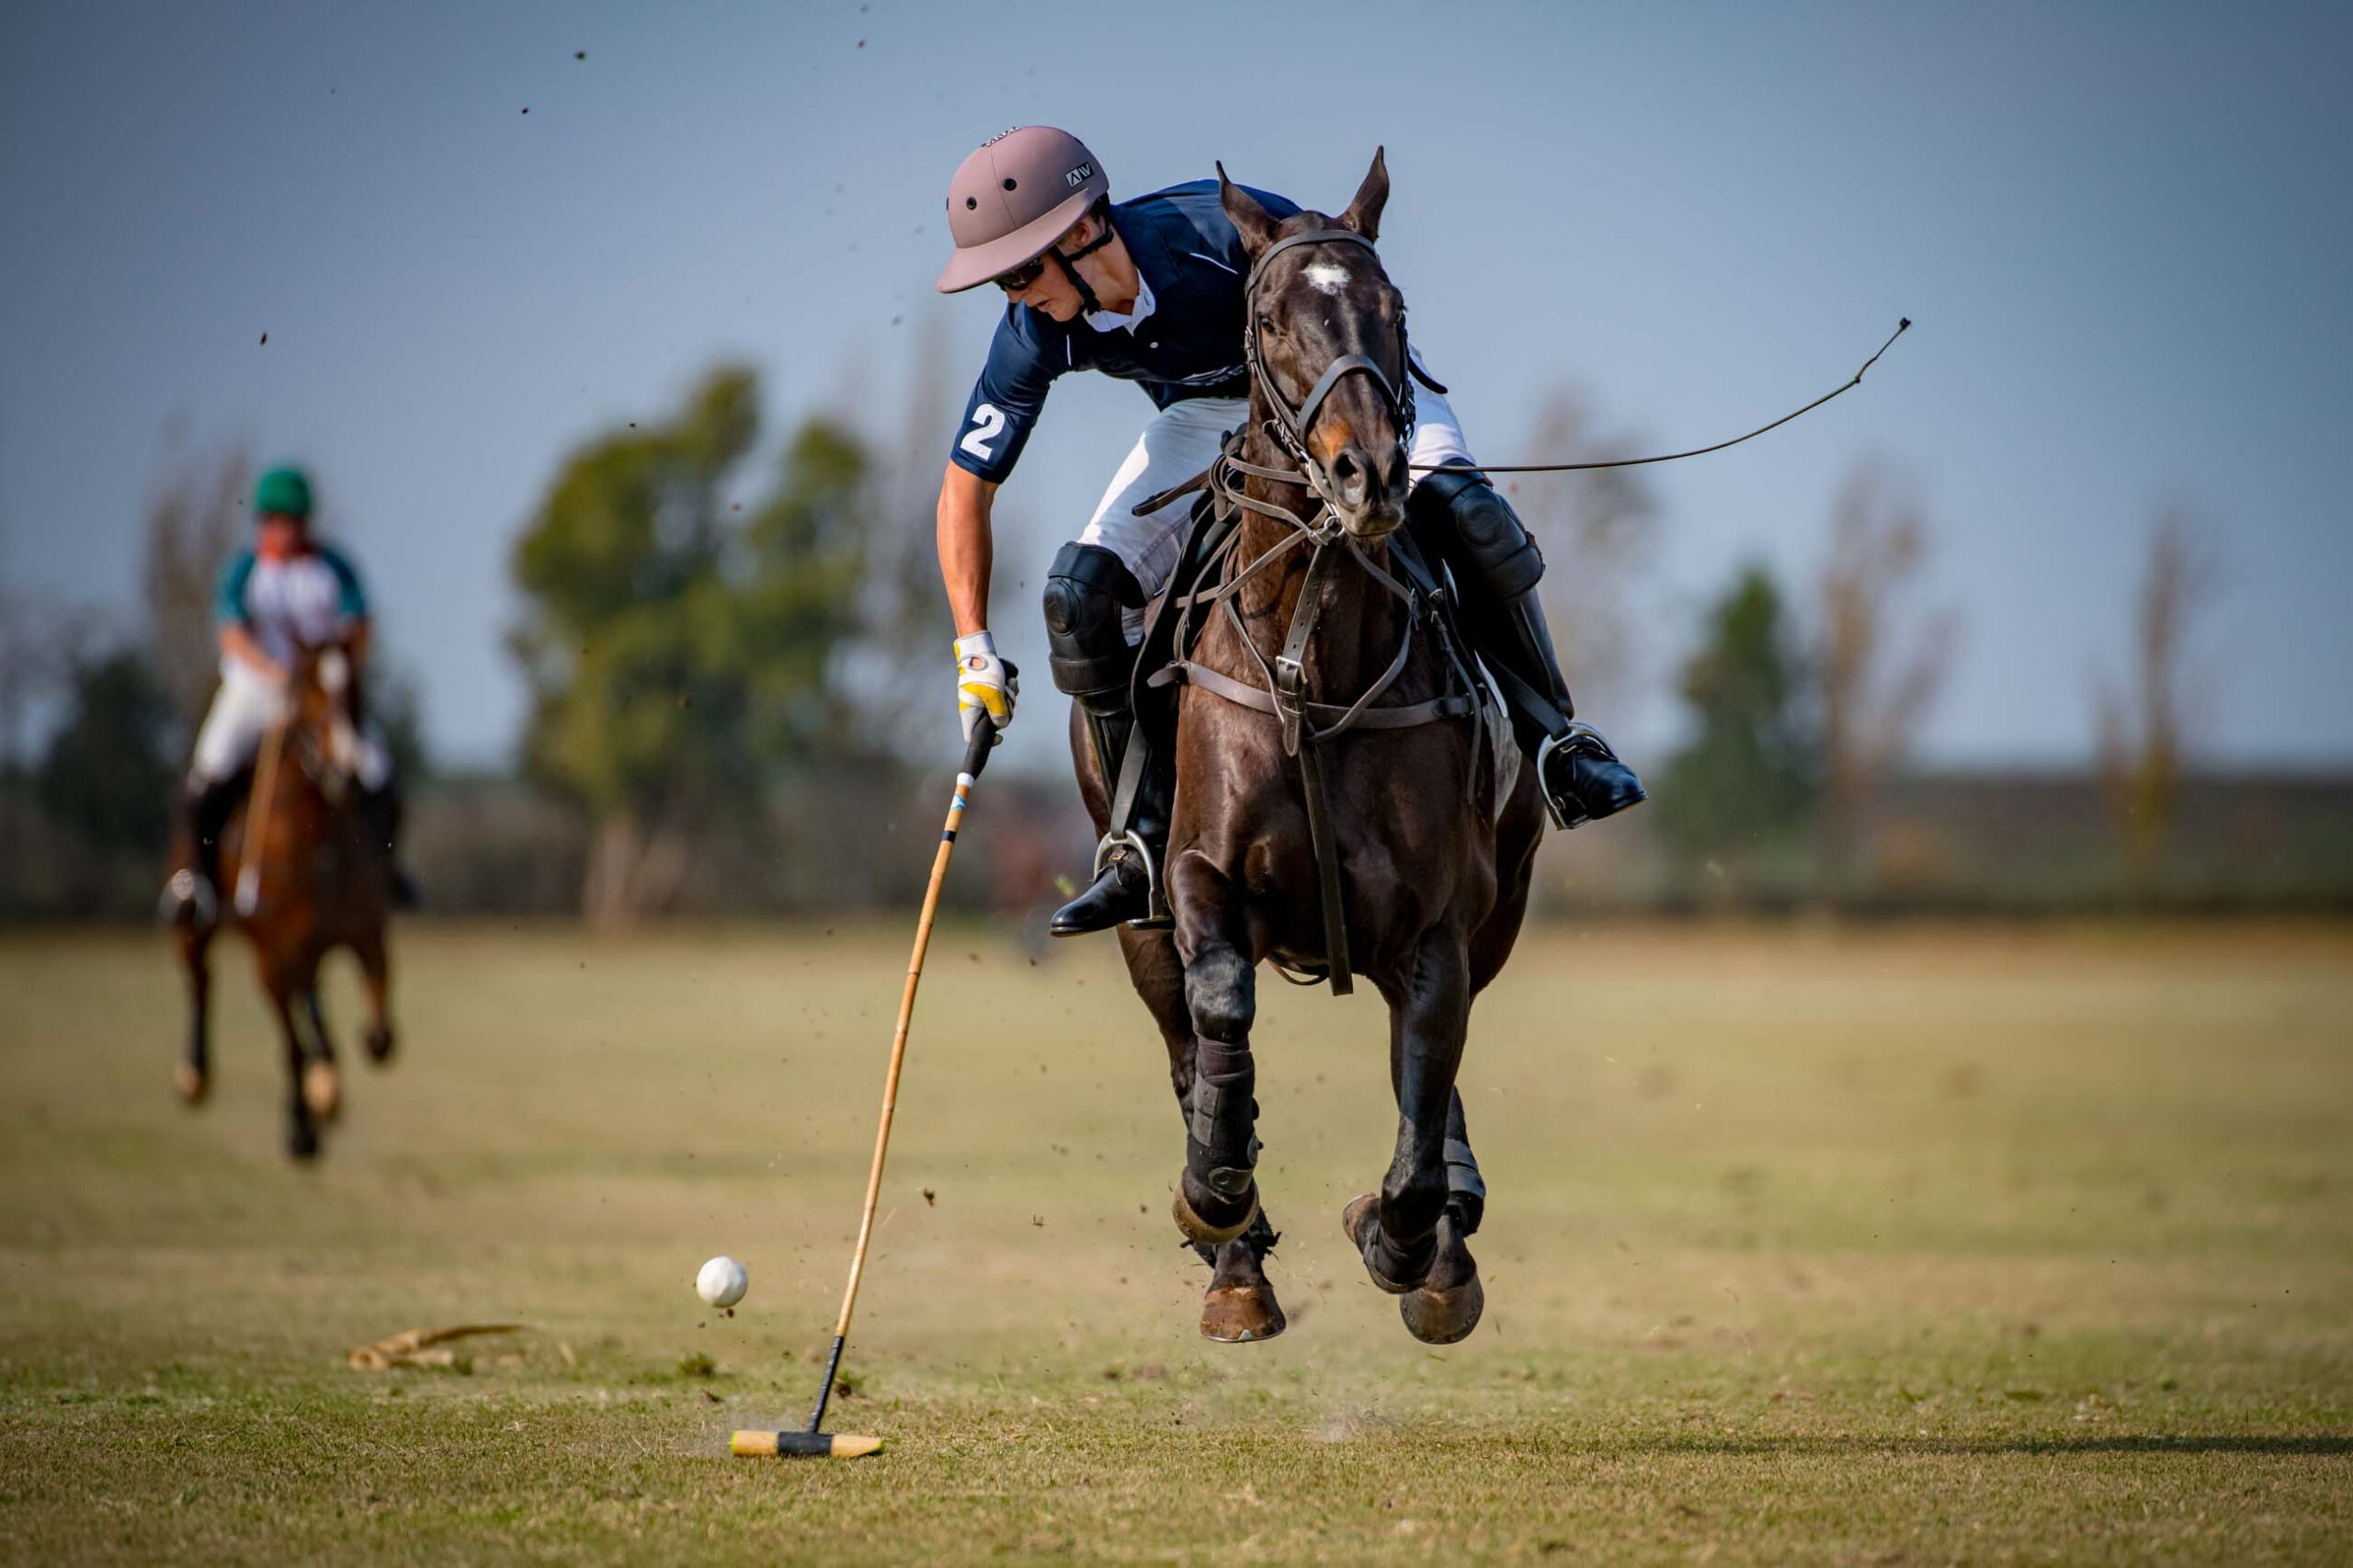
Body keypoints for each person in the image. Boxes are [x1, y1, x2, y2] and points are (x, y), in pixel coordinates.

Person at [932, 127, 1643, 938]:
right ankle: (1140, 846)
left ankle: (1559, 743)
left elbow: (1346, 291)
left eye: (1021, 272)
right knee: (1077, 598)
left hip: (1344, 383)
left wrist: (1365, 418)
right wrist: (973, 649)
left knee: (1472, 517)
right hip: (1205, 417)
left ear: (1085, 230)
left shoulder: (1208, 238)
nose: (1016, 295)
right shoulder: (1035, 331)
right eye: (1003, 281)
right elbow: (964, 487)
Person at [160, 465, 414, 924]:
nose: (287, 530)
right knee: (208, 770)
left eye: (295, 520)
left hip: (319, 700)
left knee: (377, 773)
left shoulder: (333, 568)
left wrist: (335, 666)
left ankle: (387, 871)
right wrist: (272, 671)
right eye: (277, 520)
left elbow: (360, 627)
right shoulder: (246, 570)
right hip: (255, 692)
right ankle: (194, 878)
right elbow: (231, 633)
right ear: (263, 522)